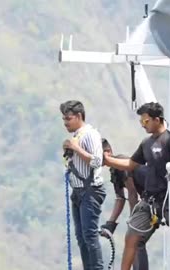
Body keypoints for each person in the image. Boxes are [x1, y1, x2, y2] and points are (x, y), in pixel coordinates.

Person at [103, 102, 170, 270]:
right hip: (149, 199)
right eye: (142, 122)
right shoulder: (146, 143)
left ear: (157, 120)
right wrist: (107, 160)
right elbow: (130, 164)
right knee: (131, 237)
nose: (143, 125)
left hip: (169, 199)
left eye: (146, 121)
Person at [60, 100, 106, 270]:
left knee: (89, 235)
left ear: (79, 116)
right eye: (64, 119)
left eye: (68, 119)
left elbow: (97, 161)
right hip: (78, 191)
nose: (65, 123)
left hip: (91, 190)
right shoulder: (77, 136)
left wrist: (76, 149)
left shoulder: (90, 134)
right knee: (81, 237)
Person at [99, 138, 149, 270]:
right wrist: (110, 223)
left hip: (153, 196)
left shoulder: (121, 162)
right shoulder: (114, 170)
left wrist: (133, 219)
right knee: (135, 241)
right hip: (146, 199)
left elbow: (132, 193)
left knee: (135, 239)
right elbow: (120, 198)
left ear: (108, 152)